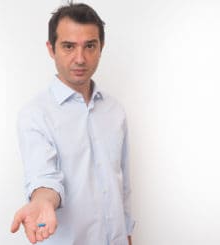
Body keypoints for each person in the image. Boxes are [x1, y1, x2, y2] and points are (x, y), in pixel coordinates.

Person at [10, 3, 134, 245]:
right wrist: (42, 201)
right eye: (68, 46)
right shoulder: (35, 115)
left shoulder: (115, 111)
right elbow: (43, 178)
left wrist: (127, 235)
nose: (80, 58)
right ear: (51, 49)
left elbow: (123, 187)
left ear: (101, 47)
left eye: (90, 46)